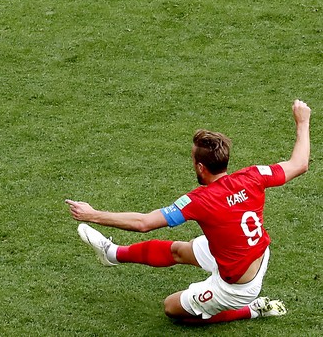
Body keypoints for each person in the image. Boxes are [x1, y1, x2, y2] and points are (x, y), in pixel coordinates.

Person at [66, 99, 310, 324]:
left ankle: (253, 309)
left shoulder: (199, 201)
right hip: (250, 252)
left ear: (201, 167)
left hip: (237, 285)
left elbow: (144, 223)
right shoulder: (254, 175)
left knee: (172, 308)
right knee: (178, 250)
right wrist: (302, 121)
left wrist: (92, 214)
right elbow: (299, 164)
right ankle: (112, 254)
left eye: (192, 159)